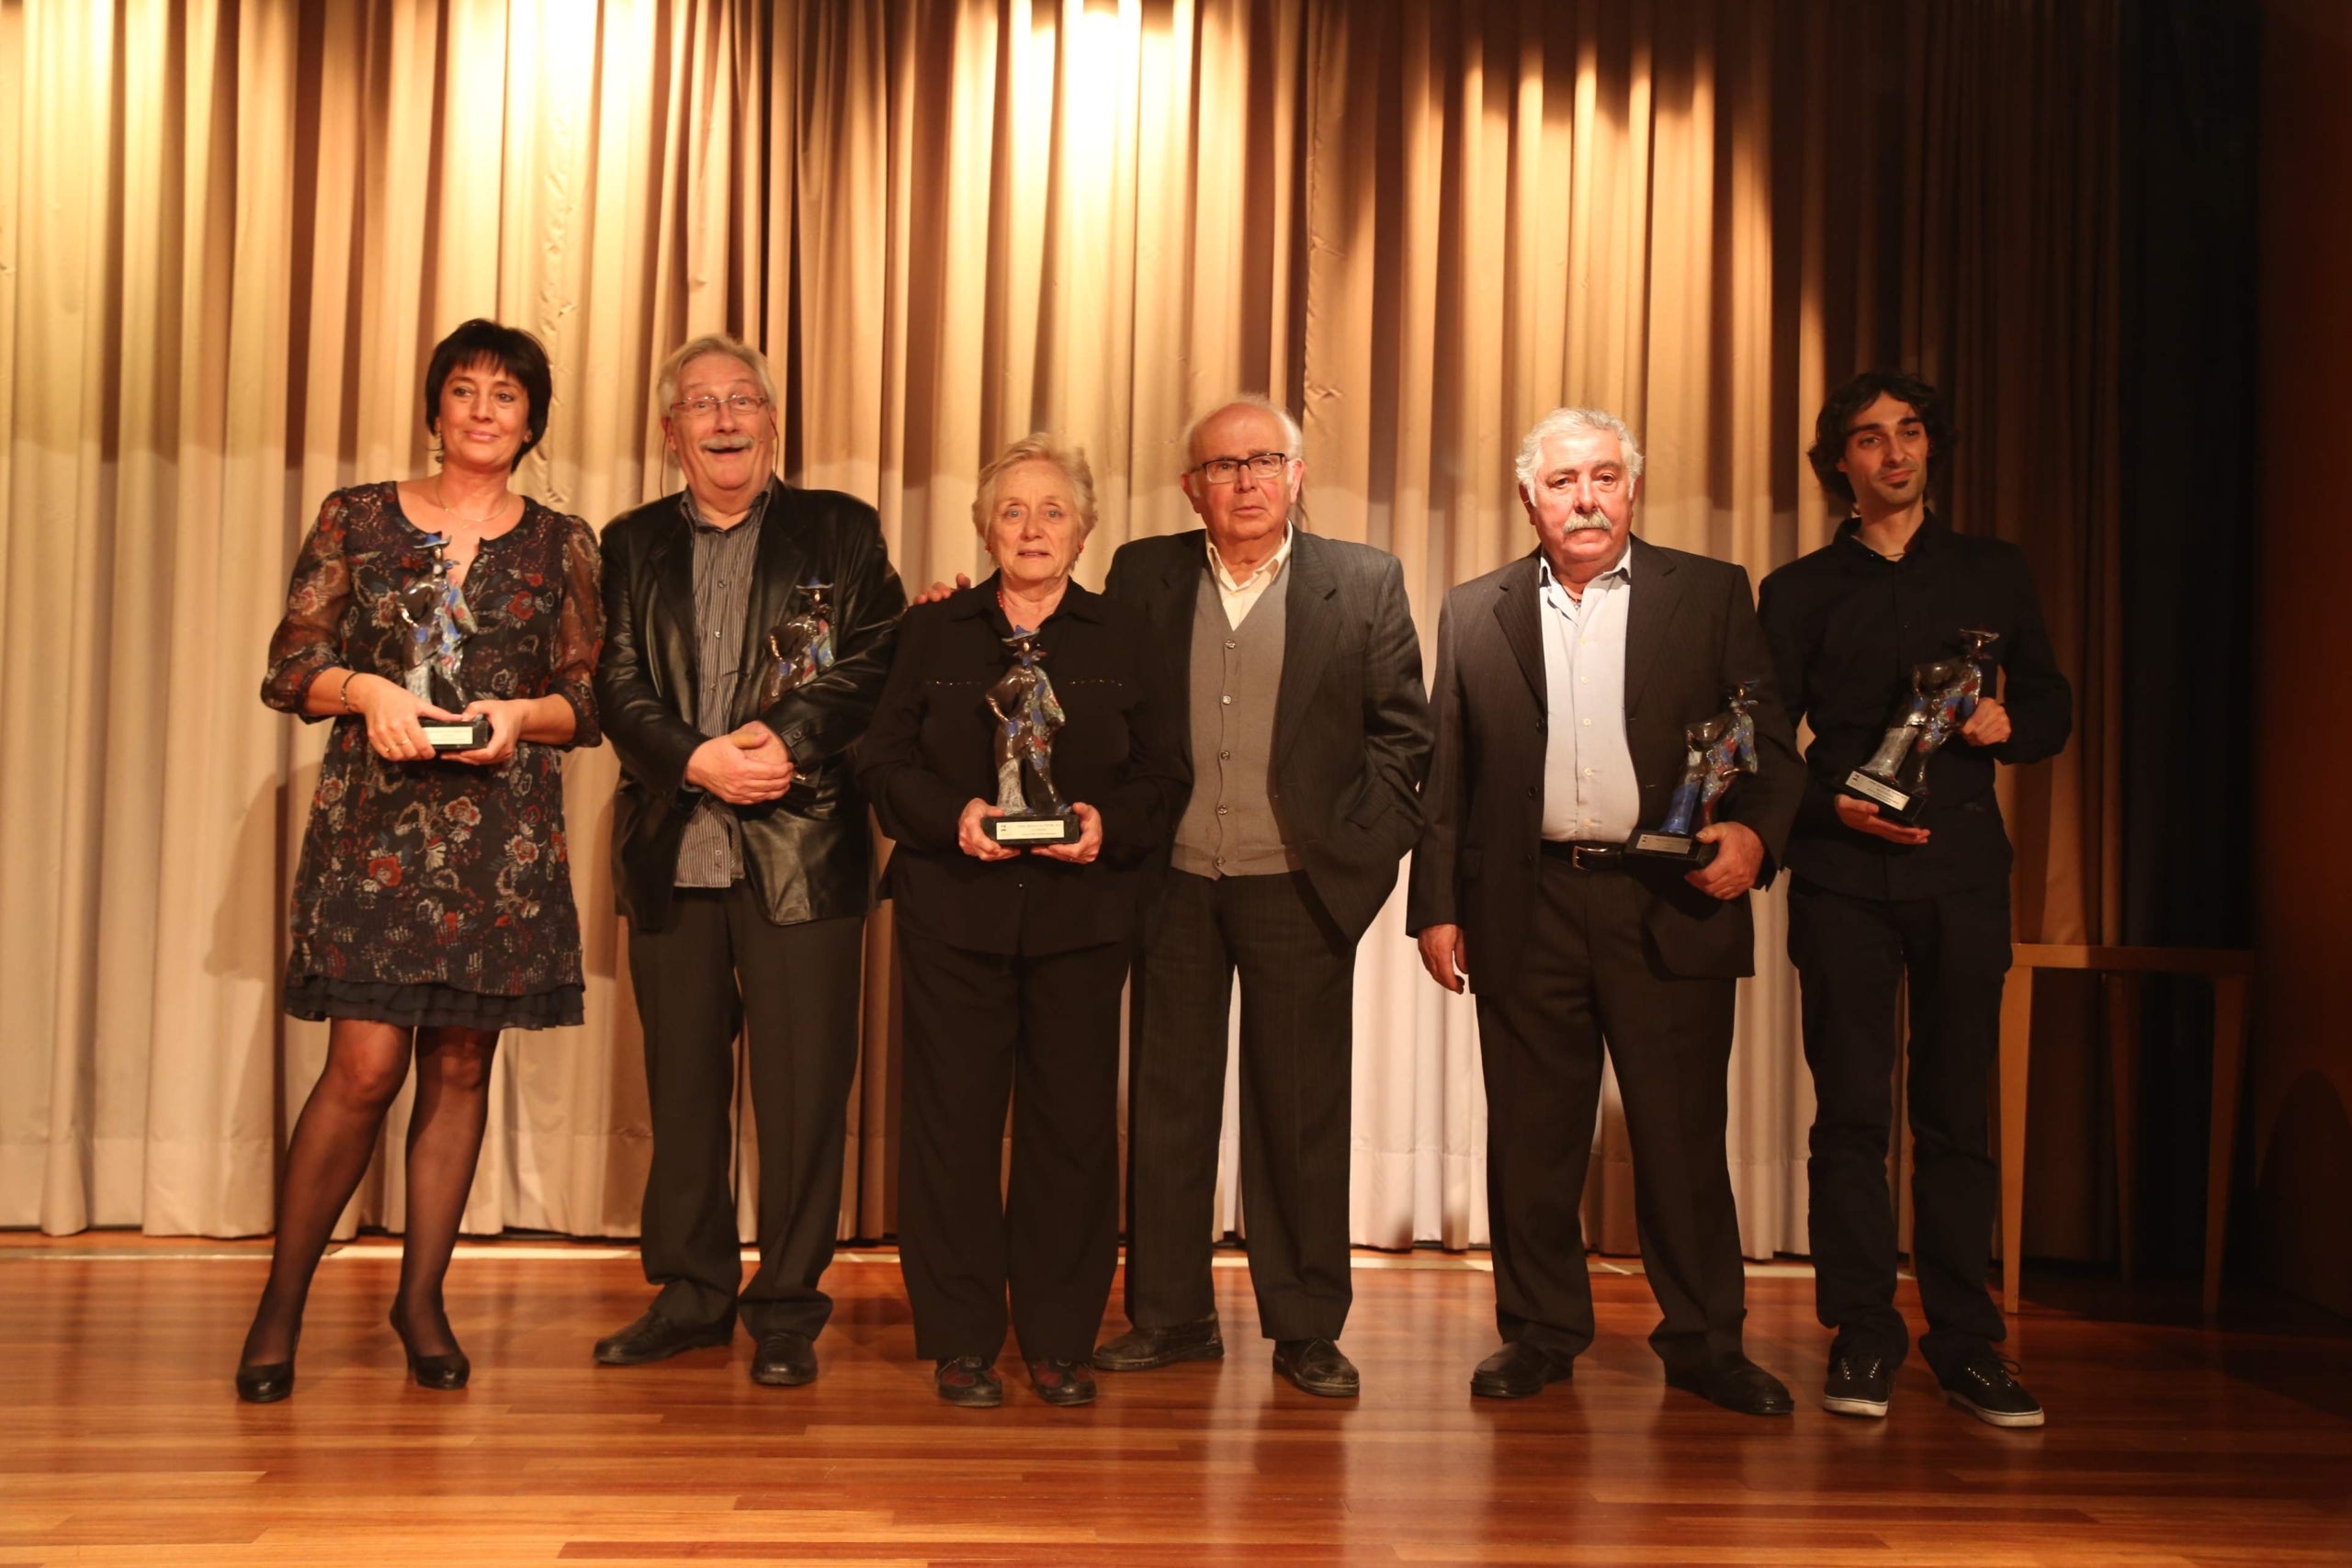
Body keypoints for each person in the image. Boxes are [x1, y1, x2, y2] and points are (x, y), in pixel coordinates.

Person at [1407, 407, 1804, 1415]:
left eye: (1603, 478)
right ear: (1528, 498)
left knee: (1679, 1137)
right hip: (1524, 903)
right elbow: (1448, 774)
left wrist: (1754, 837)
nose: (1584, 498)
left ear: (1631, 487)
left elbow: (1767, 746)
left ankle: (1706, 1342)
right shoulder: (1472, 608)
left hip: (1667, 898)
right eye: (1562, 481)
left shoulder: (1709, 593)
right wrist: (1436, 906)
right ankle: (1539, 1331)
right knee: (1532, 1140)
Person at [243, 318, 603, 1403]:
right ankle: (281, 1304)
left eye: (506, 394)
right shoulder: (356, 517)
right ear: (435, 407)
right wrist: (370, 692)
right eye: (464, 390)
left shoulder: (563, 542)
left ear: (531, 420)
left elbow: (584, 702)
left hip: (502, 839)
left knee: (459, 1064)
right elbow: (290, 665)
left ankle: (422, 1298)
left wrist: (517, 714)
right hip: (378, 833)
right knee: (362, 1069)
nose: (484, 410)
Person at [1086, 396, 1430, 1399]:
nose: (1244, 482)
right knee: (1168, 1106)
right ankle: (1170, 1316)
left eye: (1263, 461)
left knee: (1300, 1112)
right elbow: (1084, 694)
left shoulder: (1363, 583)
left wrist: (1356, 868)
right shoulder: (1142, 574)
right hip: (1173, 886)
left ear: (1297, 473)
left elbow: (1402, 740)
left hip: (1297, 887)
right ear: (1191, 488)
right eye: (1222, 467)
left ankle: (1305, 1326)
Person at [1757, 370, 2072, 1429]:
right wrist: (1828, 814)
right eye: (1867, 438)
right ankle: (1861, 1333)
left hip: (1962, 875)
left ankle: (1968, 1343)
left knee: (1955, 1113)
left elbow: (2050, 703)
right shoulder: (1797, 591)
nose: (1893, 453)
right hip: (1843, 878)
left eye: (1908, 433)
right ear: (1836, 463)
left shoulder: (1994, 572)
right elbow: (1763, 742)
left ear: (1929, 448)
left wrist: (2006, 728)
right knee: (1849, 1113)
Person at [592, 333, 906, 1388]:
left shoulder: (842, 530)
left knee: (804, 1092)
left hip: (801, 850)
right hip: (672, 850)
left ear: (773, 422)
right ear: (669, 431)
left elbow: (876, 659)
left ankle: (786, 1307)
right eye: (700, 404)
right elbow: (612, 680)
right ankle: (690, 1295)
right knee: (682, 1093)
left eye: (742, 401)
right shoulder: (628, 543)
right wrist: (695, 760)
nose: (723, 420)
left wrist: (785, 742)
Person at [856, 435, 1186, 1408]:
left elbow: (1165, 777)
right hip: (952, 914)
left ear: (1083, 531)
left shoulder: (1128, 637)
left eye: (1052, 512)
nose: (1032, 529)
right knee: (951, 1129)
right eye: (1012, 511)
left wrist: (1103, 824)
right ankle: (961, 1338)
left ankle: (1057, 1340)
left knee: (1071, 1132)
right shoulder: (933, 632)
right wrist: (950, 817)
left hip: (1084, 919)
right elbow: (882, 761)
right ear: (984, 527)